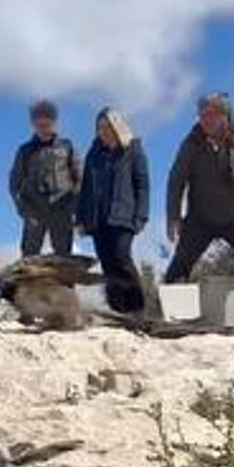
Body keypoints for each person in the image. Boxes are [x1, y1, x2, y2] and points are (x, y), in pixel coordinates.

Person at [164, 93, 234, 283]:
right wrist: (174, 217)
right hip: (200, 219)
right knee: (177, 271)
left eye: (211, 115)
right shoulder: (191, 143)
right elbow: (176, 181)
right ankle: (171, 299)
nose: (205, 120)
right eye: (201, 115)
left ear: (225, 115)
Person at [75, 108, 150, 321]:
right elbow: (85, 188)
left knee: (121, 257)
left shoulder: (133, 149)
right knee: (107, 263)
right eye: (100, 128)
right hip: (98, 217)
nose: (104, 131)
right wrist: (80, 219)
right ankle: (118, 309)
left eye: (107, 126)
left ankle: (137, 307)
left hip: (123, 215)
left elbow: (142, 185)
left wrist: (141, 215)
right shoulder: (94, 153)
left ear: (117, 126)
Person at [9, 99, 81, 257]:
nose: (43, 129)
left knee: (64, 257)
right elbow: (14, 184)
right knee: (29, 256)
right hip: (34, 210)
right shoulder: (25, 151)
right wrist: (25, 211)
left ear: (55, 123)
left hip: (62, 208)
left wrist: (73, 207)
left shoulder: (67, 146)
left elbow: (80, 179)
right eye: (39, 125)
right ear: (33, 125)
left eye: (47, 125)